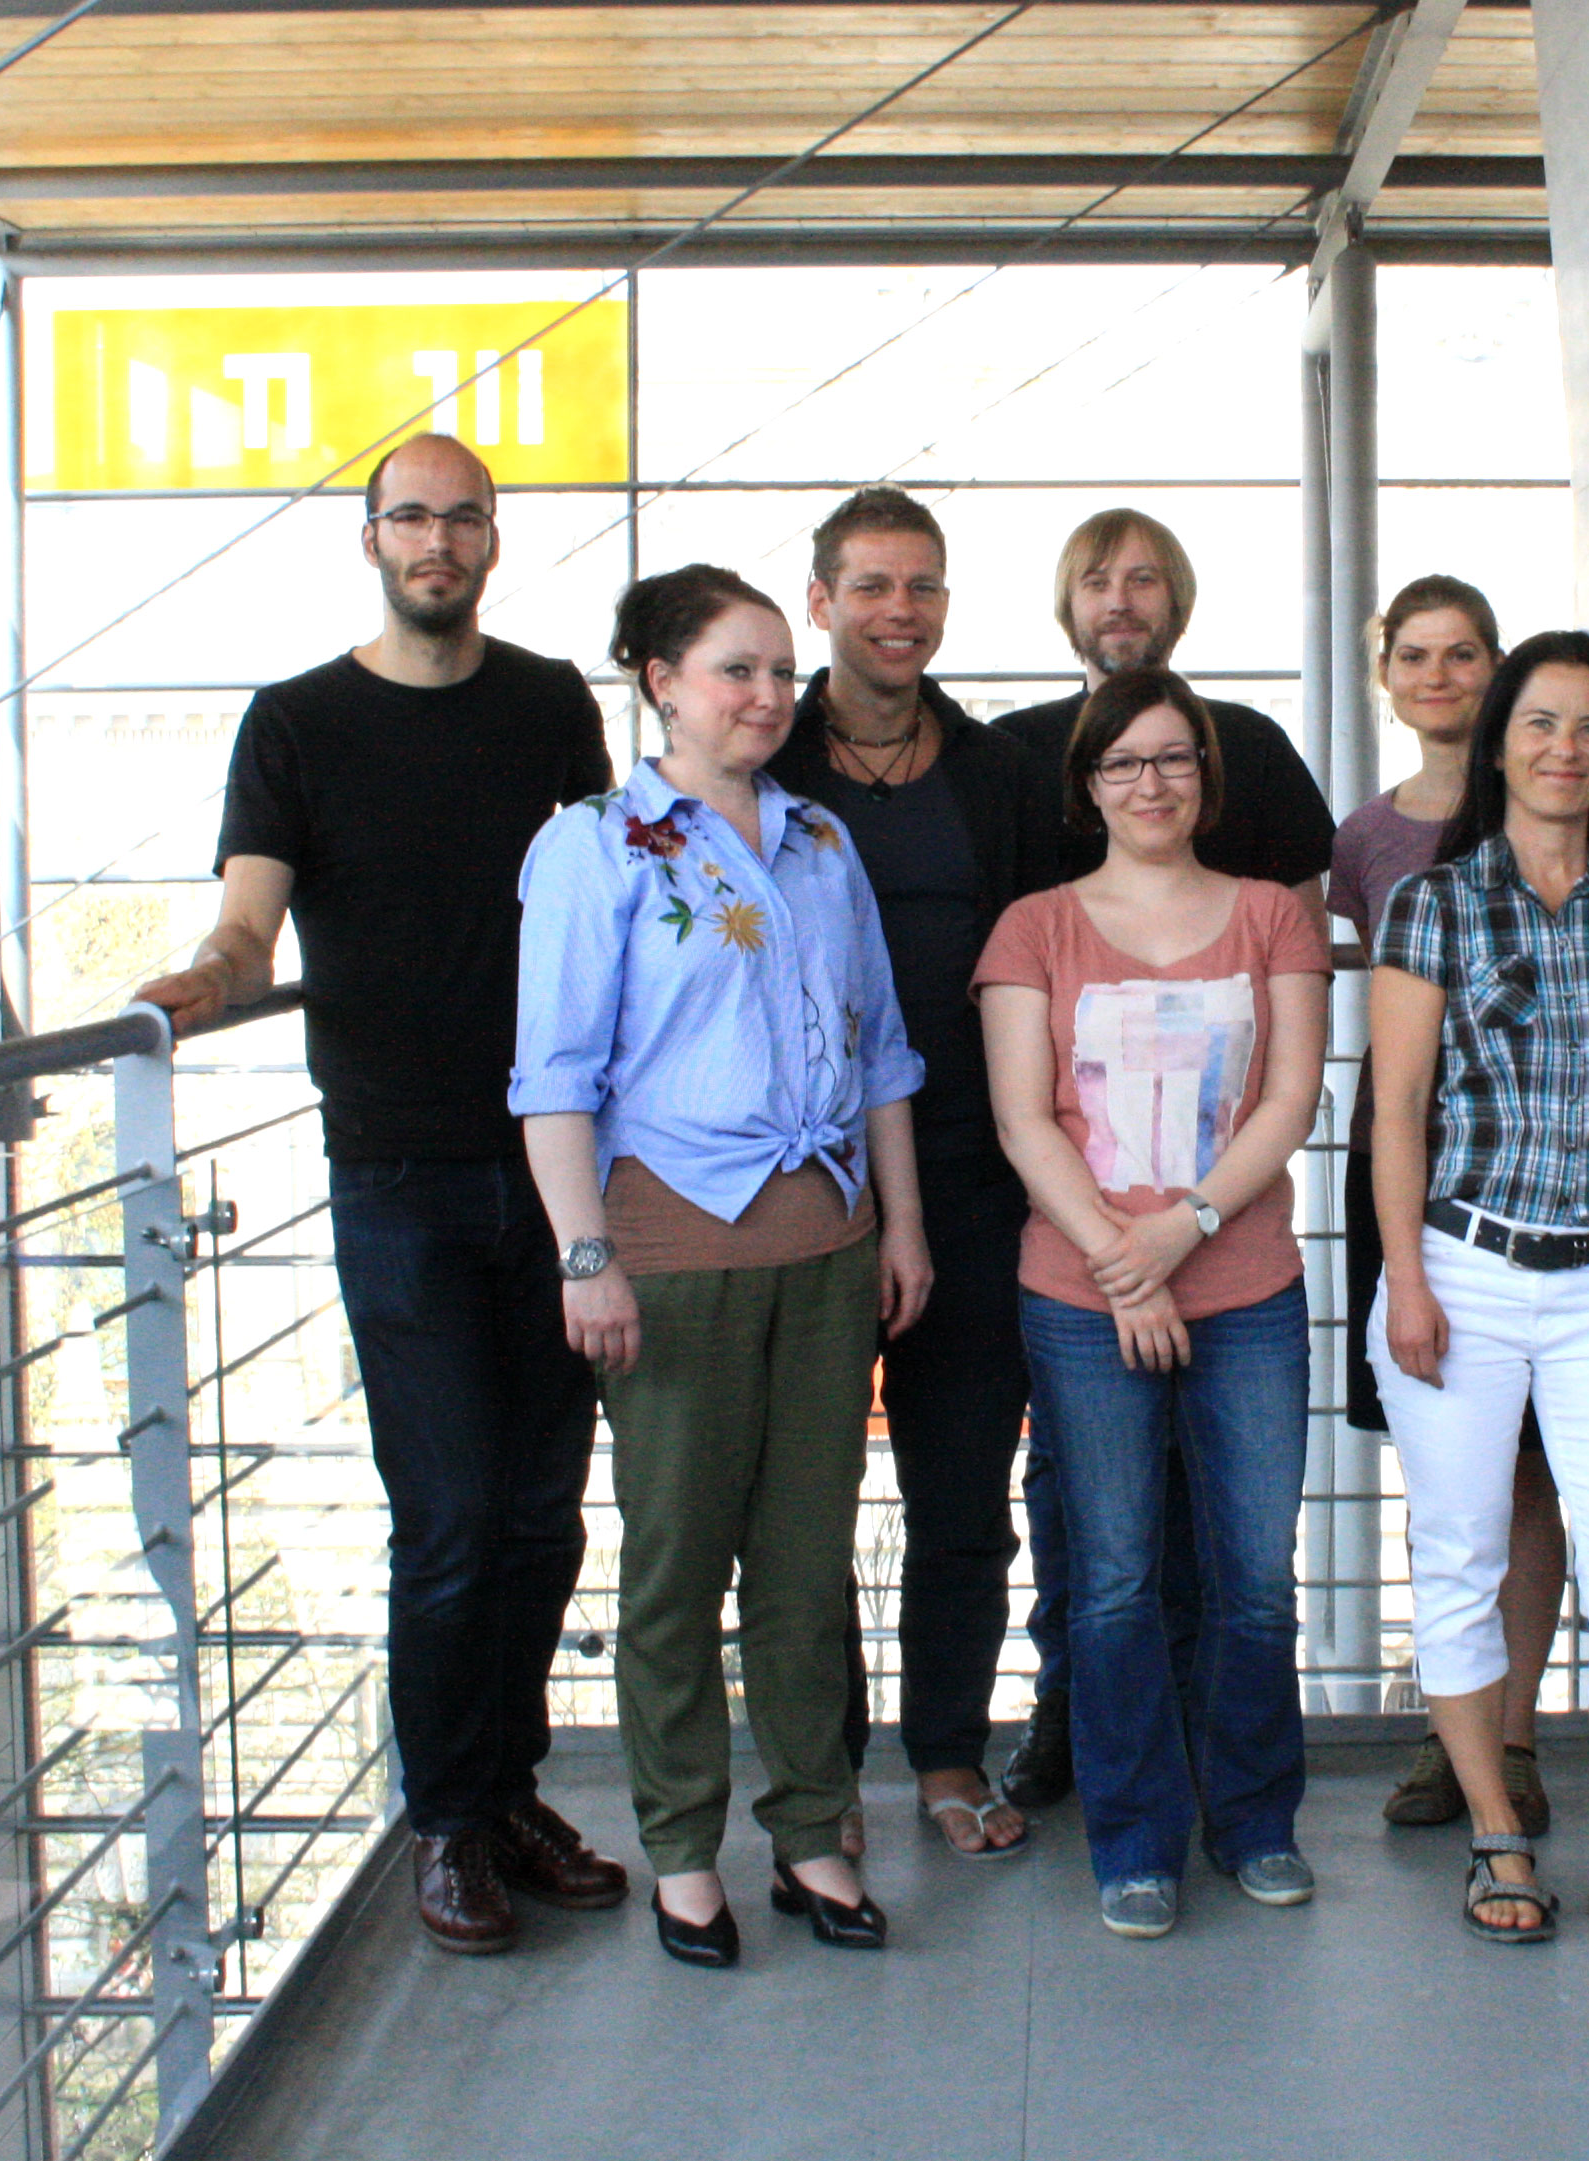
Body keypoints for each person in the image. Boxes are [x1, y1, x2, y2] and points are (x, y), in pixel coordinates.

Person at [136, 434, 627, 1956]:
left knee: (544, 1514)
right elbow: (247, 921)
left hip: (556, 1163)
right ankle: (447, 1824)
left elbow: (609, 898)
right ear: (371, 543)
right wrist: (208, 984)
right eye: (409, 518)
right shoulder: (294, 721)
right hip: (399, 1172)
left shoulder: (550, 704)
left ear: (491, 540)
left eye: (460, 518)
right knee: (456, 1515)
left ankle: (509, 1792)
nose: (436, 540)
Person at [511, 564, 927, 1968]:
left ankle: (814, 1830)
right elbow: (553, 1075)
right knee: (679, 1564)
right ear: (659, 683)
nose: (765, 696)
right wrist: (585, 1259)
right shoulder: (598, 845)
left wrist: (904, 1224)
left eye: (777, 672)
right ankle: (681, 1846)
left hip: (829, 1247)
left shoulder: (818, 841)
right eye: (732, 670)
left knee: (807, 1567)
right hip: (668, 1251)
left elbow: (879, 1052)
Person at [1367, 630, 1589, 1969]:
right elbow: (1393, 1105)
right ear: (1499, 740)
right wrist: (1404, 1277)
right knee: (1459, 1562)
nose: (1562, 749)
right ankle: (1493, 1833)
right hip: (1458, 1273)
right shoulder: (1433, 903)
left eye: (1588, 727)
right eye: (1538, 723)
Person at [975, 666, 1331, 1939]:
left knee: (1254, 1577)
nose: (1151, 783)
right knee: (1115, 1581)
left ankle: (1254, 1818)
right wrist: (1123, 1265)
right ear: (1088, 786)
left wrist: (1178, 1233)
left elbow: (1290, 1100)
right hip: (1079, 1298)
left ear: (1206, 777)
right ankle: (1133, 1839)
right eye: (1123, 763)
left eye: (1174, 758)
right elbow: (1024, 1117)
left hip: (1244, 1288)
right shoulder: (1034, 927)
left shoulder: (1270, 921)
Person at [762, 486, 1065, 1860]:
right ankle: (820, 1783)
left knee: (959, 1496)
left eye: (922, 587)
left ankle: (947, 1753)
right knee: (803, 1507)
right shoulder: (766, 770)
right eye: (871, 586)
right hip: (803, 1183)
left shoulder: (998, 777)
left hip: (976, 1174)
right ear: (818, 601)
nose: (899, 612)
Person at [1328, 575, 1566, 1839]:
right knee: (1446, 1469)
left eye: (1462, 654)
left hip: (1540, 1177)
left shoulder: (1553, 801)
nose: (1437, 676)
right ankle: (1451, 1735)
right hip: (1406, 1170)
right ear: (1384, 675)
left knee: (1528, 1471)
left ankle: (1516, 1737)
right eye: (1413, 656)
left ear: (1497, 667)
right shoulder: (1365, 837)